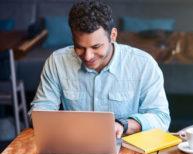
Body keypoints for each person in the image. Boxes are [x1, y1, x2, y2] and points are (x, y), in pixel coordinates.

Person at [30, 0, 170, 138]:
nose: (88, 56)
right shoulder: (57, 61)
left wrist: (124, 125)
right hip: (73, 145)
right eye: (79, 47)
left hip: (127, 150)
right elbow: (39, 113)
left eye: (96, 47)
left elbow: (161, 119)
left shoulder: (144, 64)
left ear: (113, 36)